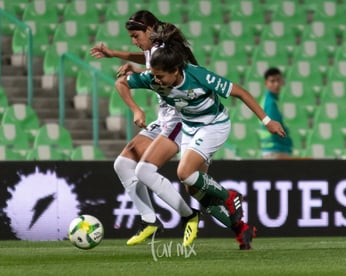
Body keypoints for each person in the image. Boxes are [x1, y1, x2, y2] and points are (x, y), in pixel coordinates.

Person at [115, 27, 287, 249]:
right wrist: (136, 110)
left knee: (184, 173)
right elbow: (121, 83)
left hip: (214, 125)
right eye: (154, 76)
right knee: (194, 189)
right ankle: (241, 231)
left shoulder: (199, 76)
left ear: (176, 71)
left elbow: (240, 92)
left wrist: (267, 121)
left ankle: (229, 196)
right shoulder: (154, 77)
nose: (156, 81)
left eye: (160, 76)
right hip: (190, 128)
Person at [91, 10, 245, 248]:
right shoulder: (157, 48)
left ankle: (190, 216)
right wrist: (116, 55)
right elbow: (146, 59)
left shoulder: (167, 53)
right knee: (123, 164)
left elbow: (153, 67)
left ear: (150, 30)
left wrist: (137, 103)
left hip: (180, 120)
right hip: (165, 119)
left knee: (153, 173)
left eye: (135, 35)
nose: (134, 41)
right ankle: (150, 220)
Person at [259, 67, 293, 159]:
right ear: (266, 83)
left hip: (272, 150)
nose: (276, 84)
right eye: (272, 81)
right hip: (275, 150)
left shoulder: (270, 100)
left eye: (278, 80)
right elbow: (275, 128)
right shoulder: (270, 103)